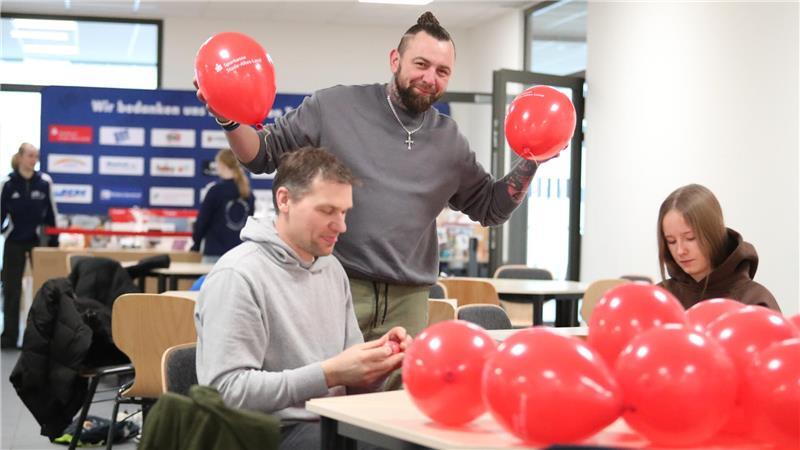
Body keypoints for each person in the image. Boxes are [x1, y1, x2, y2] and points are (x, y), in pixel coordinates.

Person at [195, 12, 549, 352]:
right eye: (421, 64)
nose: (430, 78)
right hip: (333, 284)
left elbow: (490, 207)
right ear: (395, 59)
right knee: (327, 396)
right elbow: (263, 155)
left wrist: (532, 160)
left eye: (443, 71)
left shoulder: (449, 140)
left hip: (408, 300)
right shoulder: (334, 106)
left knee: (394, 404)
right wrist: (229, 120)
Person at [195, 147, 410, 450]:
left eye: (344, 211)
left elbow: (349, 378)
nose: (341, 226)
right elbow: (227, 391)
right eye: (327, 211)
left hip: (331, 422)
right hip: (267, 431)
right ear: (284, 200)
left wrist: (379, 362)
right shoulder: (238, 275)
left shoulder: (332, 268)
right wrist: (328, 373)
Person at [656, 183, 780, 311]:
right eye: (671, 241)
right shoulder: (660, 299)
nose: (680, 251)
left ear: (713, 233)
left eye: (690, 238)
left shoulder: (755, 301)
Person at [1, 142, 58, 349]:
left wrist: (54, 240)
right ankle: (8, 337)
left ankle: (41, 338)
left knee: (44, 290)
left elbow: (52, 212)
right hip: (14, 241)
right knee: (11, 290)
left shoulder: (44, 182)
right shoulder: (7, 183)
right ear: (21, 157)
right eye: (30, 155)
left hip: (37, 243)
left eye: (36, 156)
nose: (33, 160)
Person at [191, 148, 255, 263]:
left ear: (222, 165)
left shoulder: (216, 191)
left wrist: (196, 244)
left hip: (214, 254)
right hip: (239, 256)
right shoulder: (248, 194)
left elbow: (202, 222)